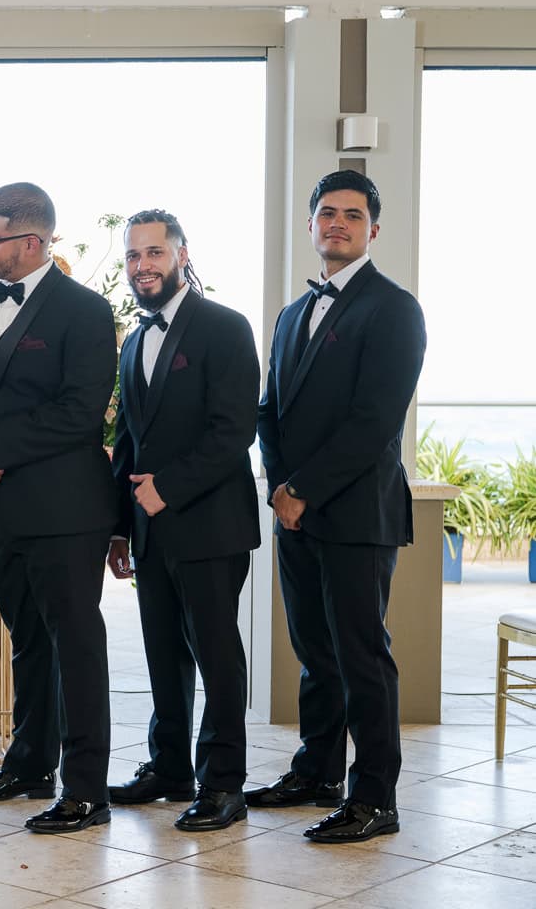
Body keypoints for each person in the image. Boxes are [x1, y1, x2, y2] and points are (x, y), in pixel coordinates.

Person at [252, 170, 426, 843]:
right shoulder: (293, 314)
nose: (338, 223)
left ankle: (375, 797)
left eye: (352, 215)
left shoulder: (395, 308)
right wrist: (277, 485)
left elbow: (374, 420)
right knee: (314, 652)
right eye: (327, 213)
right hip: (294, 511)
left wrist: (302, 489)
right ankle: (316, 772)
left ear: (372, 231)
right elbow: (269, 411)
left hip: (357, 513)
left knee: (361, 657)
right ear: (311, 225)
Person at [0, 181, 117, 834]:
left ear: (31, 241)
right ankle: (28, 765)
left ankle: (86, 788)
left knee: (76, 644)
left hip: (66, 510)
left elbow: (79, 413)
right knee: (27, 643)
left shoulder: (84, 311)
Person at [104, 210, 260, 832]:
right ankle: (170, 768)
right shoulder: (135, 339)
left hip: (210, 524)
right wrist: (121, 525)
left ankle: (224, 783)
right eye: (133, 256)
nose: (143, 265)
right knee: (163, 653)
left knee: (218, 656)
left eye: (153, 253)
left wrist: (165, 489)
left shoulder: (224, 328)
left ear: (181, 255)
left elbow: (233, 432)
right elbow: (129, 441)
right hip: (150, 530)